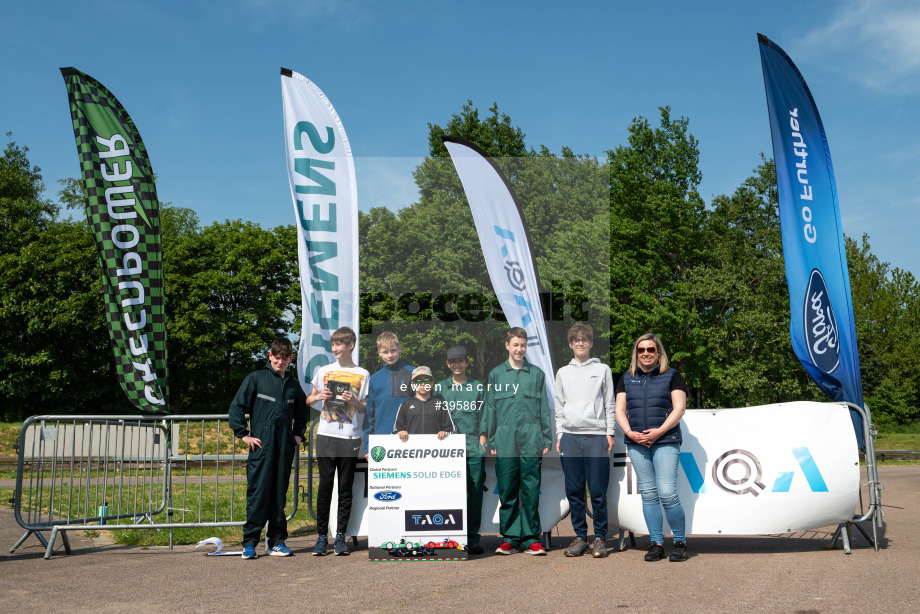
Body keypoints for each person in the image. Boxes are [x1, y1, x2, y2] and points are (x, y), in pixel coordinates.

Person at [229, 337, 307, 559]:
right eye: (276, 358)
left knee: (278, 496)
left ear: (290, 359)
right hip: (261, 448)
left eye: (284, 359)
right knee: (258, 494)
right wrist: (243, 434)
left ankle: (277, 542)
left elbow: (302, 414)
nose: (280, 362)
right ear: (270, 356)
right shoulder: (256, 378)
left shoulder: (293, 384)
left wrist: (298, 435)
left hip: (284, 449)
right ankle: (250, 543)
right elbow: (236, 407)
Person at [614, 332, 689, 562]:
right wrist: (629, 433)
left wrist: (659, 432)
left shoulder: (672, 375)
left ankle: (679, 541)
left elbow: (679, 408)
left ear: (658, 352)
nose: (646, 353)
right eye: (641, 350)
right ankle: (656, 543)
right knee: (648, 494)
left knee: (667, 493)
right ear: (636, 353)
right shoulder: (627, 377)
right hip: (636, 442)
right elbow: (619, 410)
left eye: (650, 350)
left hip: (665, 440)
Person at [482, 327, 552, 555]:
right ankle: (510, 538)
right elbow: (490, 407)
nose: (519, 349)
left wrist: (546, 436)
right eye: (515, 345)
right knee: (508, 489)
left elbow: (543, 408)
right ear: (507, 346)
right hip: (504, 439)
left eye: (523, 345)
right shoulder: (496, 374)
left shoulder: (537, 374)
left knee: (531, 489)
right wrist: (490, 438)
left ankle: (532, 538)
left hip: (531, 437)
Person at [306, 326, 369, 556]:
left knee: (345, 488)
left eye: (338, 345)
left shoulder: (363, 373)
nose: (334, 349)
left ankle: (340, 537)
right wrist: (318, 396)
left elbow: (365, 407)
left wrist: (354, 401)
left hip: (349, 437)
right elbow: (308, 399)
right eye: (333, 345)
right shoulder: (324, 370)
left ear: (350, 345)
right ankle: (322, 537)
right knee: (325, 487)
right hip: (326, 435)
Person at [554, 323, 615, 558]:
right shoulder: (563, 372)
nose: (580, 343)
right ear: (570, 344)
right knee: (574, 491)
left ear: (591, 343)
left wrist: (609, 432)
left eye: (585, 339)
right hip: (569, 437)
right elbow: (559, 406)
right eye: (576, 340)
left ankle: (600, 537)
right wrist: (560, 434)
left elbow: (609, 403)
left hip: (597, 436)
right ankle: (580, 537)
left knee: (598, 491)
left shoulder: (603, 370)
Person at [435, 346, 487, 555]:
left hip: (472, 445)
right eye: (453, 362)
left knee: (474, 493)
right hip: (446, 449)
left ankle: (472, 539)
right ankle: (450, 538)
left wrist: (483, 440)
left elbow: (485, 415)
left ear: (467, 363)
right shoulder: (438, 388)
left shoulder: (478, 387)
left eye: (461, 361)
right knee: (448, 494)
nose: (457, 365)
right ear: (448, 365)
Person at [363, 332, 414, 459]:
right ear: (379, 352)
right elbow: (370, 416)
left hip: (410, 439)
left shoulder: (413, 374)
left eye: (393, 351)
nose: (390, 355)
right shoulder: (374, 379)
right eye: (385, 352)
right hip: (382, 442)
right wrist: (368, 447)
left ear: (400, 349)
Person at [393, 366, 454, 440]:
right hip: (412, 449)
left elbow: (451, 430)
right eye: (418, 381)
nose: (423, 384)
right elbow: (395, 431)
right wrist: (400, 432)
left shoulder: (441, 405)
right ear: (413, 384)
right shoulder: (405, 406)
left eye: (427, 380)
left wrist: (445, 433)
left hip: (435, 449)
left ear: (432, 383)